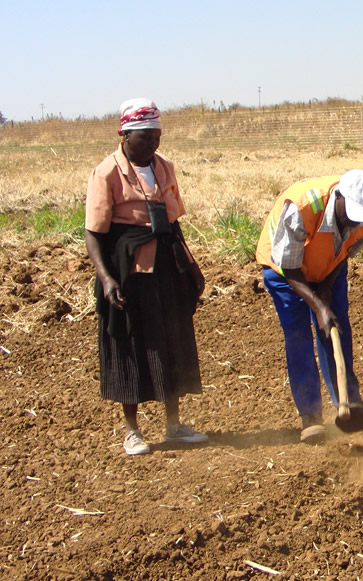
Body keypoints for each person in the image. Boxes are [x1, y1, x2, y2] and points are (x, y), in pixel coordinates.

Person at [84, 98, 208, 456]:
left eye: (157, 136)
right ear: (124, 135)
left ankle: (175, 425)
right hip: (128, 271)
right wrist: (107, 280)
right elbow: (93, 233)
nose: (153, 144)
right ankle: (132, 431)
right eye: (145, 137)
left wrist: (191, 265)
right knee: (131, 344)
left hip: (166, 266)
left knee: (171, 340)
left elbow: (173, 223)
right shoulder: (106, 172)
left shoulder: (164, 166)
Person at [255, 170, 363, 443]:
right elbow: (289, 267)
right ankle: (310, 415)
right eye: (351, 213)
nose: (356, 221)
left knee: (336, 326)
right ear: (338, 197)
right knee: (298, 334)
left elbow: (346, 252)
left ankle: (347, 401)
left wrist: (325, 287)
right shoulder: (302, 207)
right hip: (283, 269)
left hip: (328, 265)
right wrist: (317, 305)